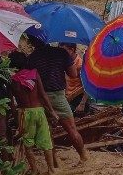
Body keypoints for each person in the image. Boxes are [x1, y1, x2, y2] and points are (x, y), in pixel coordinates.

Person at [27, 36, 89, 166]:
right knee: (71, 129)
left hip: (41, 98)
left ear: (32, 42)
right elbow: (73, 74)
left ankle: (54, 163)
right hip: (58, 96)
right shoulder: (60, 53)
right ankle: (83, 156)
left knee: (48, 132)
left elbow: (30, 82)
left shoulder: (31, 58)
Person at [9, 52, 58, 175]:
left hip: (24, 113)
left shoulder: (13, 80)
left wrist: (16, 119)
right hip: (39, 111)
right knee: (46, 141)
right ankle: (51, 169)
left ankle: (35, 170)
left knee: (28, 143)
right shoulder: (34, 74)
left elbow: (12, 103)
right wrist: (52, 111)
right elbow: (43, 95)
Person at [59, 43, 90, 116]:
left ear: (72, 50)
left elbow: (87, 85)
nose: (61, 53)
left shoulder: (80, 64)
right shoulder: (65, 62)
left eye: (63, 51)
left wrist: (82, 104)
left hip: (78, 98)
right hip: (68, 98)